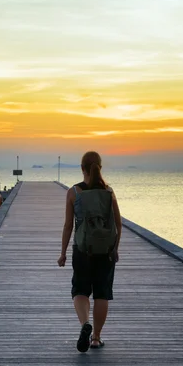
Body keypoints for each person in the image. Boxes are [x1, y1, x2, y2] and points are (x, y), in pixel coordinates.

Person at [58, 151, 122, 352]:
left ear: (82, 168)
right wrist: (115, 248)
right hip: (105, 251)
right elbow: (118, 224)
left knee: (80, 289)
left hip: (82, 249)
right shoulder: (109, 192)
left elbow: (68, 226)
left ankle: (85, 322)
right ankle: (96, 338)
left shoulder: (74, 193)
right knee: (102, 293)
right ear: (99, 167)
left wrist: (63, 253)